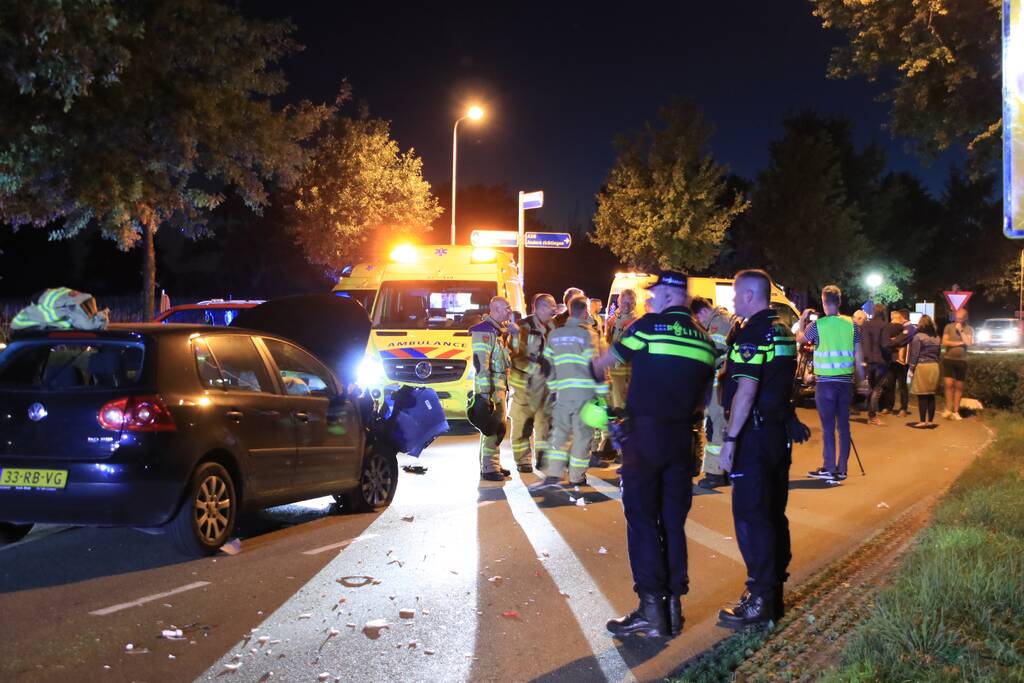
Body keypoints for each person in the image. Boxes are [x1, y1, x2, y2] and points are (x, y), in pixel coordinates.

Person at [591, 271, 715, 639]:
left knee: (643, 519)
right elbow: (706, 399)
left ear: (668, 294)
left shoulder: (647, 327)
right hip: (682, 439)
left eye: (656, 292)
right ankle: (674, 608)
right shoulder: (705, 341)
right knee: (673, 523)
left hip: (645, 437)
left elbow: (604, 364)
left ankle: (650, 610)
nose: (653, 297)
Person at [716, 269, 799, 628]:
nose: (733, 301)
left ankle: (760, 599)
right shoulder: (782, 331)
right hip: (777, 436)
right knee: (773, 513)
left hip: (754, 436)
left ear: (751, 295)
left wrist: (731, 440)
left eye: (736, 295)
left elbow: (747, 391)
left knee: (752, 517)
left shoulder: (752, 333)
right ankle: (773, 593)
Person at [531, 296, 607, 488]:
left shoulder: (556, 334)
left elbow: (546, 364)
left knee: (560, 434)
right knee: (582, 436)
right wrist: (602, 392)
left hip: (562, 393)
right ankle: (576, 476)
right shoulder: (588, 335)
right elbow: (594, 365)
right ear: (584, 312)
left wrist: (552, 387)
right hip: (584, 393)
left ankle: (554, 473)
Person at [796, 285, 865, 485]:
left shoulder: (818, 326)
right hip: (846, 383)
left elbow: (800, 340)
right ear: (840, 302)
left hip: (825, 383)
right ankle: (842, 469)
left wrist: (802, 319)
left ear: (824, 302)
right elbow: (859, 356)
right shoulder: (853, 325)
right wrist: (862, 382)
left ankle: (828, 468)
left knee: (828, 428)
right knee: (843, 426)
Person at [690, 296, 738, 489]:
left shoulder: (718, 324)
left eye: (698, 318)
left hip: (720, 382)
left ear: (702, 312)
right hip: (724, 382)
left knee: (716, 425)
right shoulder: (725, 319)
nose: (699, 323)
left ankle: (715, 473)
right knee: (723, 425)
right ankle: (726, 470)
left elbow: (714, 354)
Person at [470, 297, 519, 481]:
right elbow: (482, 366)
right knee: (493, 429)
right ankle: (489, 468)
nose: (509, 311)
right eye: (507, 308)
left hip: (500, 387)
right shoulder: (484, 332)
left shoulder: (499, 332)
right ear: (496, 309)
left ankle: (492, 463)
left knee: (496, 428)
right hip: (491, 390)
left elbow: (508, 357)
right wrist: (484, 396)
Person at [509, 293, 557, 473]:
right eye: (549, 308)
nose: (552, 312)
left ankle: (542, 456)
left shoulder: (552, 327)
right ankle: (523, 460)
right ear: (539, 308)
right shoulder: (523, 327)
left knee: (544, 422)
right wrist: (535, 369)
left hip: (545, 384)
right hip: (524, 384)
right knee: (523, 422)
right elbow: (515, 355)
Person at [606, 289, 640, 412]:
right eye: (624, 302)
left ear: (634, 304)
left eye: (630, 302)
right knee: (616, 390)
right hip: (614, 363)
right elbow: (608, 339)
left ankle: (624, 415)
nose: (626, 305)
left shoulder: (637, 321)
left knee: (627, 392)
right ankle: (618, 416)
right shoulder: (612, 319)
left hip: (629, 363)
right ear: (619, 302)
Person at [908, 315, 942, 428]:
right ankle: (931, 421)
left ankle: (922, 421)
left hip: (923, 367)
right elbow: (938, 354)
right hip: (934, 366)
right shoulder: (937, 337)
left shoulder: (918, 337)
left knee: (922, 395)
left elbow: (914, 354)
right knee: (931, 395)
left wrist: (911, 368)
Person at [861, 304, 891, 426]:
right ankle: (872, 416)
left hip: (868, 360)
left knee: (871, 387)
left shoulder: (865, 325)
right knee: (877, 388)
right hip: (880, 360)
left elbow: (862, 342)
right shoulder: (884, 326)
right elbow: (885, 345)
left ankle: (871, 414)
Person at [941, 308, 974, 420]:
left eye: (960, 318)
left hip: (962, 361)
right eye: (957, 318)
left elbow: (969, 342)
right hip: (949, 359)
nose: (958, 320)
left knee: (959, 386)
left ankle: (956, 410)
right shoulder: (948, 327)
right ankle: (948, 409)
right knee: (949, 384)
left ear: (965, 318)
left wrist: (961, 331)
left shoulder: (969, 329)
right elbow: (945, 342)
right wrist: (960, 343)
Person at [883, 309, 914, 416]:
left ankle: (903, 408)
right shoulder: (900, 327)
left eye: (897, 317)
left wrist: (891, 341)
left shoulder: (910, 328)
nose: (895, 319)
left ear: (902, 317)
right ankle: (889, 406)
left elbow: (899, 340)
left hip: (902, 361)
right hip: (892, 359)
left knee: (902, 385)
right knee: (890, 384)